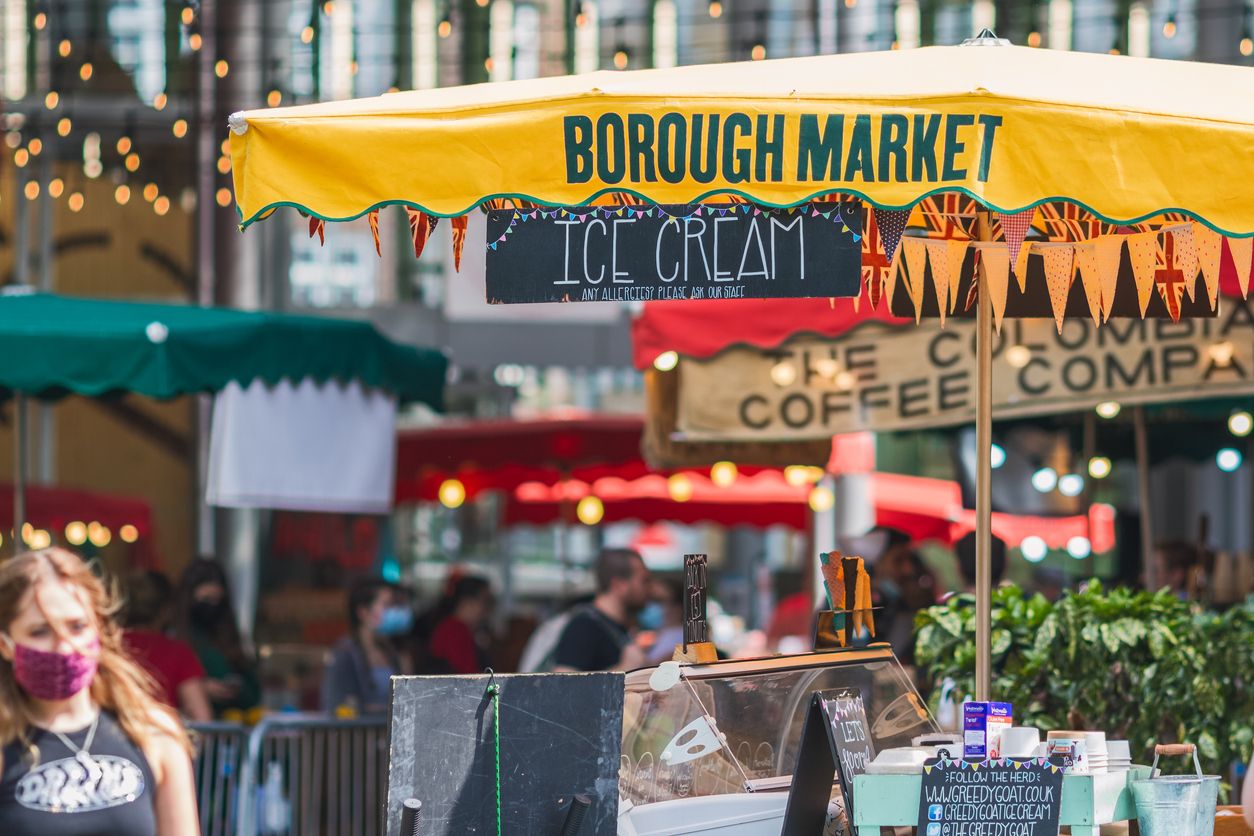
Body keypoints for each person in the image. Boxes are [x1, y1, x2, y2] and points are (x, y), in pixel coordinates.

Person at [0, 548, 199, 835]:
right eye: (40, 632)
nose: (65, 646)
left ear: (98, 628)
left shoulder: (154, 735)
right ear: (6, 644)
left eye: (77, 627)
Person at [121, 570, 211, 722]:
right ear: (166, 610)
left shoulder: (102, 648)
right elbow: (201, 716)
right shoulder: (178, 653)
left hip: (107, 741)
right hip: (159, 741)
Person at [174, 560, 261, 716]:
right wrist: (199, 688)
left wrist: (236, 689)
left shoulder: (229, 637)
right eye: (206, 600)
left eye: (217, 600)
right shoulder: (175, 637)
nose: (212, 607)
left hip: (231, 727)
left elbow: (253, 690)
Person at [322, 578, 414, 714]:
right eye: (387, 605)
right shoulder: (344, 654)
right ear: (363, 612)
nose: (395, 611)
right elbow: (339, 706)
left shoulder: (393, 652)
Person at [552, 549, 651, 672]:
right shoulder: (583, 626)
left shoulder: (618, 626)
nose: (649, 588)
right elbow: (563, 684)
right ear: (619, 585)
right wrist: (625, 669)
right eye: (644, 581)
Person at [427, 576, 493, 674]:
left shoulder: (460, 629)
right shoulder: (454, 630)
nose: (487, 608)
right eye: (485, 601)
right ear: (467, 602)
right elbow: (469, 676)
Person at [641, 578, 685, 665]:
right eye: (650, 600)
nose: (651, 605)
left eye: (659, 601)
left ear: (678, 608)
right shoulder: (664, 635)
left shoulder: (681, 641)